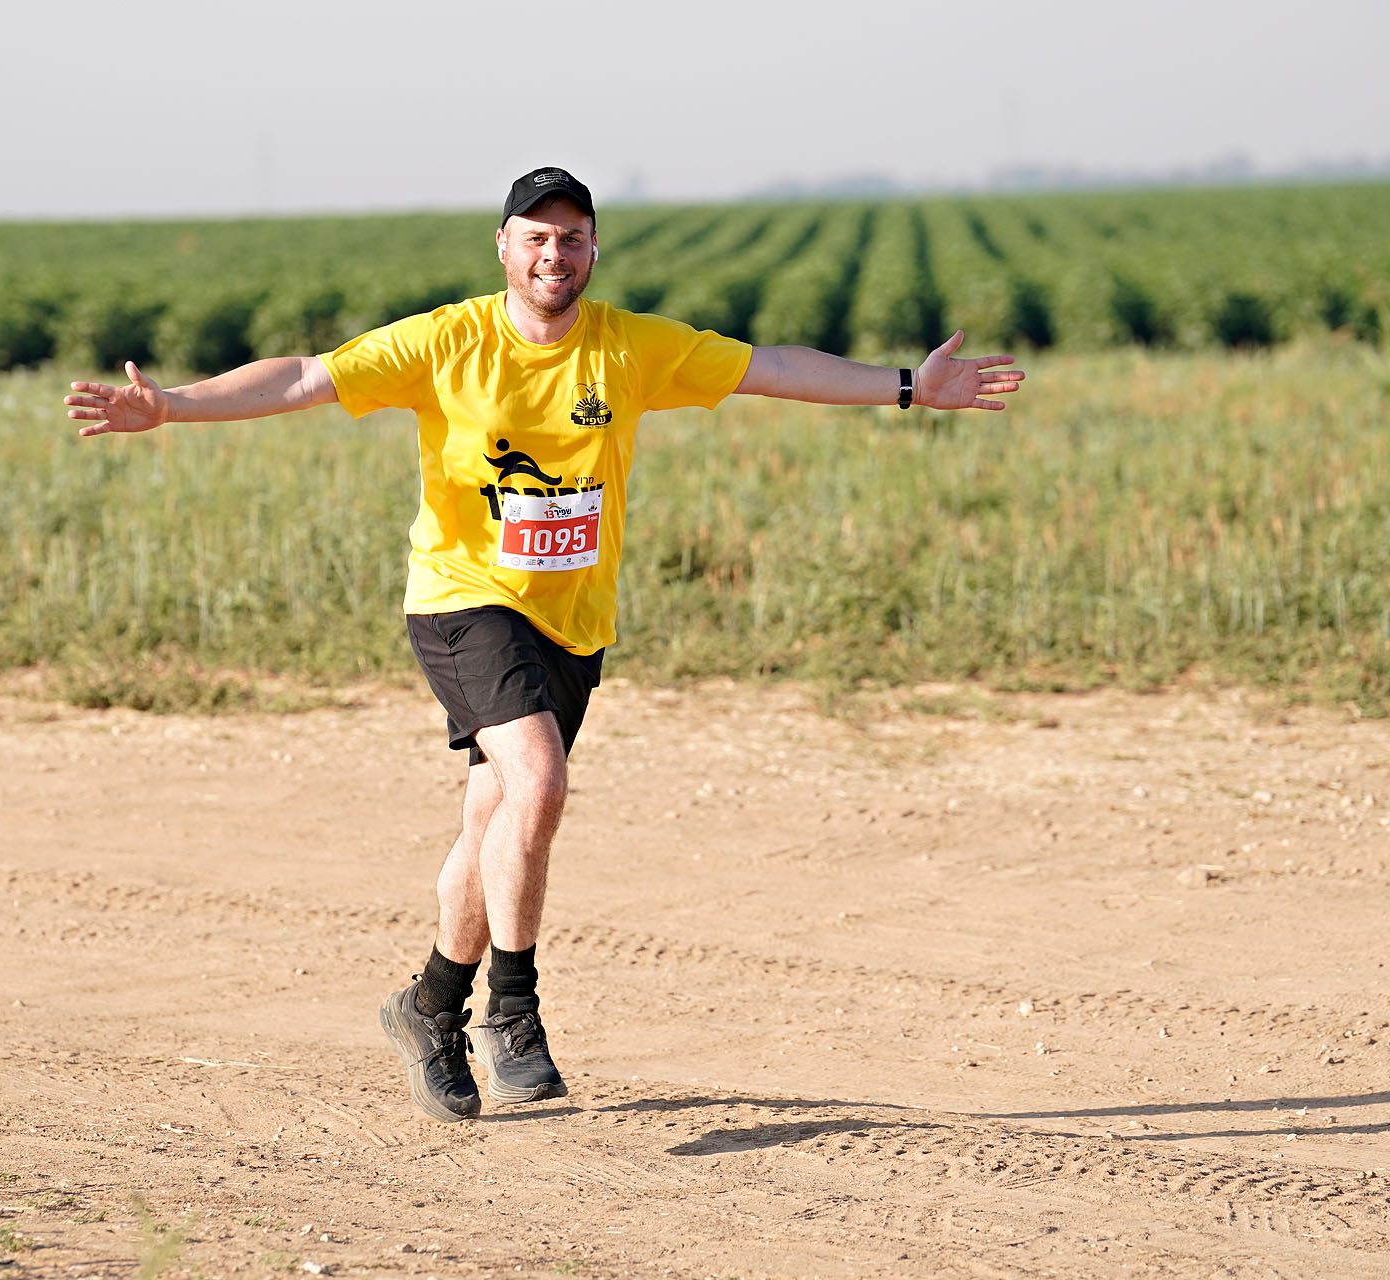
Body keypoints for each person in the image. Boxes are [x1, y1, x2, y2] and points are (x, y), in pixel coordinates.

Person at [63, 167, 1025, 1124]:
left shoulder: (630, 348)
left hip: (573, 621)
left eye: (570, 239)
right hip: (461, 600)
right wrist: (174, 405)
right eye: (534, 237)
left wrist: (907, 386)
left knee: (493, 823)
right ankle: (511, 1010)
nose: (552, 255)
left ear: (592, 250)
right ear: (504, 248)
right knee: (540, 780)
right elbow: (309, 376)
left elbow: (770, 366)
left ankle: (429, 1007)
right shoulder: (448, 340)